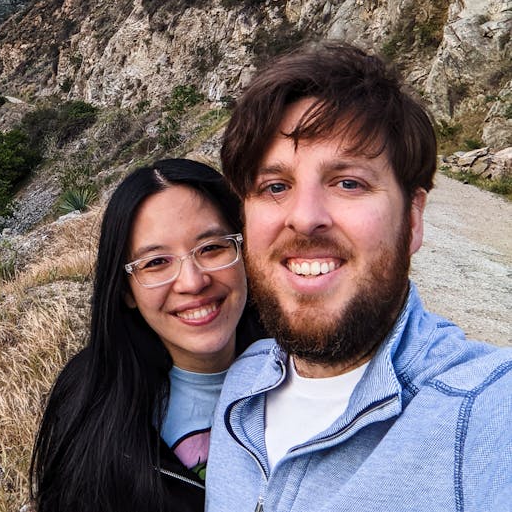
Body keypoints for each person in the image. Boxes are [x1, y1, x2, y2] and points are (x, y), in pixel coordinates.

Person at [207, 42, 512, 512]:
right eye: (275, 187)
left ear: (412, 219)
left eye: (349, 182)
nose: (305, 218)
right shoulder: (242, 384)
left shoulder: (484, 410)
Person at [30, 158, 264, 512]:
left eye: (212, 248)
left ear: (244, 252)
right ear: (126, 291)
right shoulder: (93, 406)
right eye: (156, 262)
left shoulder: (308, 360)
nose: (193, 281)